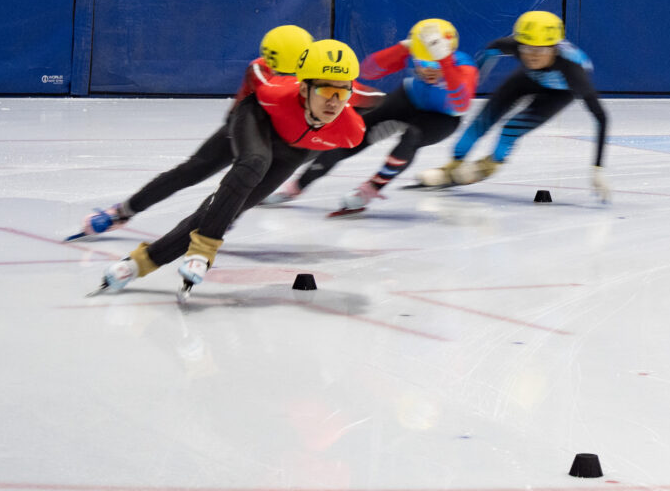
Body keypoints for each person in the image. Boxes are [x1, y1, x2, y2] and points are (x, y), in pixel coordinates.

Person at [96, 39, 366, 295]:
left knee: (221, 209)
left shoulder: (350, 131)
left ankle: (137, 265)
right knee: (245, 164)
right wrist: (235, 112)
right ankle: (196, 246)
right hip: (256, 118)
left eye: (342, 92)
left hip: (290, 151)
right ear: (304, 88)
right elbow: (256, 68)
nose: (334, 101)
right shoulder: (276, 93)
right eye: (325, 90)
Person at [72, 26, 383, 239]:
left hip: (293, 142)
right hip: (248, 129)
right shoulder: (260, 71)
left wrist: (393, 105)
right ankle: (123, 211)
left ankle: (219, 220)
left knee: (244, 194)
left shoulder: (319, 86)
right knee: (193, 170)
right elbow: (265, 95)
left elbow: (363, 96)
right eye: (283, 73)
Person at [260, 18, 478, 212]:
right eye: (422, 63)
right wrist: (404, 48)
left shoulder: (464, 66)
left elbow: (460, 102)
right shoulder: (417, 55)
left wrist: (445, 61)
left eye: (435, 63)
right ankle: (297, 186)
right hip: (409, 98)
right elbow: (369, 70)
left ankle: (371, 189)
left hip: (444, 116)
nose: (429, 70)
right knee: (353, 132)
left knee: (411, 137)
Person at [417, 10, 610, 202]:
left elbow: (601, 117)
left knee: (511, 128)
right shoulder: (514, 46)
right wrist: (472, 82)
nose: (533, 56)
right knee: (484, 118)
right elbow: (490, 50)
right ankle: (453, 164)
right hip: (529, 77)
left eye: (541, 50)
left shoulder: (572, 70)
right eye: (527, 49)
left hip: (561, 91)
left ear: (554, 48)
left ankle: (489, 166)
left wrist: (597, 168)